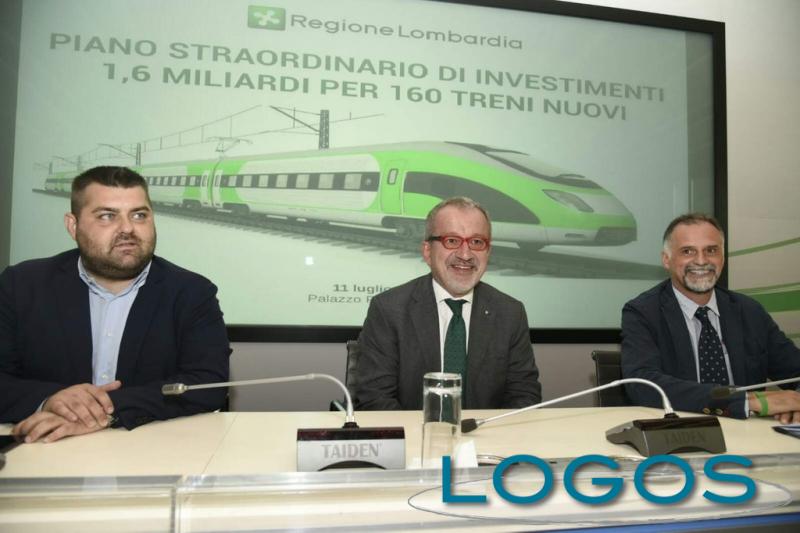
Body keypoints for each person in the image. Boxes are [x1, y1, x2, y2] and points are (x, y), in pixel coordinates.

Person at [0, 166, 231, 443]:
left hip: (148, 449)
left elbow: (207, 385)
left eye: (139, 215)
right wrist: (51, 400)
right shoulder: (21, 285)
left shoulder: (192, 292)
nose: (128, 228)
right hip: (45, 450)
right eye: (107, 216)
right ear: (73, 225)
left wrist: (105, 411)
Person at [353, 197, 541, 410]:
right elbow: (375, 399)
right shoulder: (389, 310)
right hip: (415, 431)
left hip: (487, 432)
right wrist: (429, 430)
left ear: (488, 252)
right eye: (452, 241)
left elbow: (524, 395)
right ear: (427, 251)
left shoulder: (510, 313)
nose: (465, 254)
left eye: (477, 242)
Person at [621, 213, 800, 422]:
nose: (701, 261)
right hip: (681, 431)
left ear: (722, 258)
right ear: (666, 260)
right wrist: (744, 401)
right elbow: (643, 385)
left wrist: (796, 404)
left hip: (750, 433)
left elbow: (795, 370)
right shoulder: (642, 312)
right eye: (688, 251)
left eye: (711, 250)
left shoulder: (750, 311)